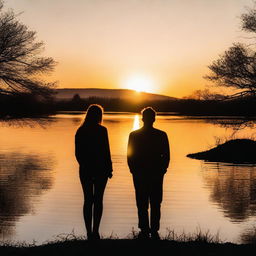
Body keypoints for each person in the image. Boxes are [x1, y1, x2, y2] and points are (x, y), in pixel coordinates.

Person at [127, 107, 170, 240]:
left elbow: (130, 156)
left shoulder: (134, 135)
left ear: (143, 119)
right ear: (153, 119)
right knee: (155, 202)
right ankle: (153, 229)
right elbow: (166, 156)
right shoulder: (161, 135)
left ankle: (145, 228)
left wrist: (133, 169)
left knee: (142, 201)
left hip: (143, 173)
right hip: (153, 173)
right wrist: (162, 169)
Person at [75, 104, 113, 240]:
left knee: (88, 200)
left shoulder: (80, 131)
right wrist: (109, 168)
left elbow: (78, 154)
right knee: (98, 200)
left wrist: (85, 166)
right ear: (99, 116)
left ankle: (89, 232)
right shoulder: (102, 130)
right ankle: (95, 231)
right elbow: (106, 151)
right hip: (100, 169)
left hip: (86, 169)